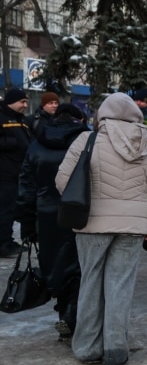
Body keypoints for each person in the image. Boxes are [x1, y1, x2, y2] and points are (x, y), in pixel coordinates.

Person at [55, 93, 147, 365]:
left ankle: (87, 347)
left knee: (90, 282)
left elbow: (62, 181)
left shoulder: (87, 140)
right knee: (120, 285)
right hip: (132, 226)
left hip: (92, 224)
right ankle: (115, 348)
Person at [16, 103, 90, 340]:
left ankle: (64, 319)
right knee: (80, 268)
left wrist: (27, 223)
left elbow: (26, 186)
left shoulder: (37, 144)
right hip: (80, 213)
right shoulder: (87, 143)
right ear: (79, 120)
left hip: (45, 215)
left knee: (55, 266)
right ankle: (71, 317)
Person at [0, 87, 32, 258]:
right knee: (4, 210)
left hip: (17, 173)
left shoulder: (22, 120)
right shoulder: (2, 117)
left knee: (11, 210)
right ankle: (3, 244)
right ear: (11, 102)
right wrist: (12, 142)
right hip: (4, 174)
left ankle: (7, 239)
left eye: (26, 101)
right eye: (22, 101)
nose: (25, 105)